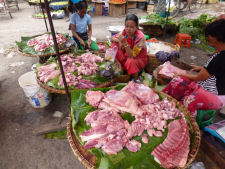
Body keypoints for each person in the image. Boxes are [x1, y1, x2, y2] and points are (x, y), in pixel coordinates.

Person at [162, 20, 225, 117]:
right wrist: (202, 68)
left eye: (209, 35)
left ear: (217, 37)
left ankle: (185, 121)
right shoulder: (220, 52)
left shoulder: (219, 58)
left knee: (188, 101)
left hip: (215, 96)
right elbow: (217, 70)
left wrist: (181, 74)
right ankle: (165, 103)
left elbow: (198, 78)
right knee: (178, 82)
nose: (207, 37)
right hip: (209, 89)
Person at [111, 14, 148, 81]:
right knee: (114, 46)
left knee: (130, 62)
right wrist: (119, 41)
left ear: (137, 27)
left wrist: (125, 43)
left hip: (138, 59)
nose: (128, 29)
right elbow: (112, 38)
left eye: (131, 27)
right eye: (126, 26)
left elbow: (132, 56)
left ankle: (136, 78)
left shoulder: (140, 38)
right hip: (127, 55)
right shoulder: (125, 31)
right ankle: (120, 66)